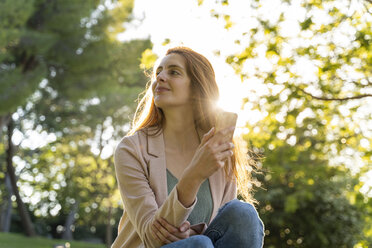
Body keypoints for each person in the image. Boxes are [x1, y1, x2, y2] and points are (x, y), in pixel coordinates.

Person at [111, 47, 264, 248]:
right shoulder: (132, 149)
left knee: (243, 213)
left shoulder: (218, 149)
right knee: (199, 245)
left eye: (173, 72)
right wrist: (194, 175)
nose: (160, 78)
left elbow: (223, 235)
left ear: (196, 88)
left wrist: (191, 233)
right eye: (159, 72)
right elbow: (151, 237)